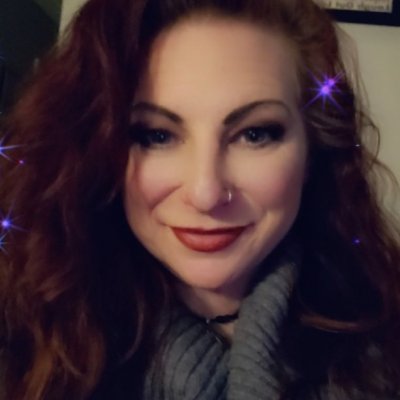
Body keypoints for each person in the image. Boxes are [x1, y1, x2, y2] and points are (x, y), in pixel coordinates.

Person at [1, 0, 400, 398]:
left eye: (255, 134)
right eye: (156, 135)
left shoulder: (385, 329)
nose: (206, 193)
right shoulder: (23, 334)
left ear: (313, 150)